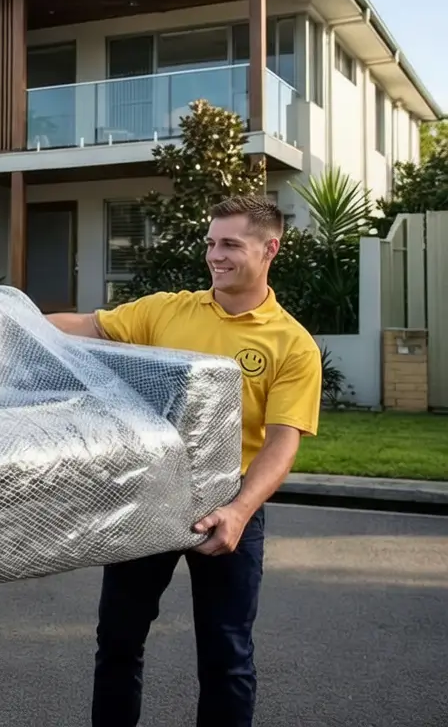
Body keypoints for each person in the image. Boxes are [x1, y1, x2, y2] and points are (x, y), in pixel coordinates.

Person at [45, 195, 322, 727]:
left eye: (230, 245)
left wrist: (240, 511)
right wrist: (4, 322)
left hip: (228, 503)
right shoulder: (168, 310)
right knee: (118, 643)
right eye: (211, 243)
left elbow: (282, 443)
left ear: (270, 249)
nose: (215, 255)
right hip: (150, 494)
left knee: (226, 657)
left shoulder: (292, 345)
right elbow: (84, 326)